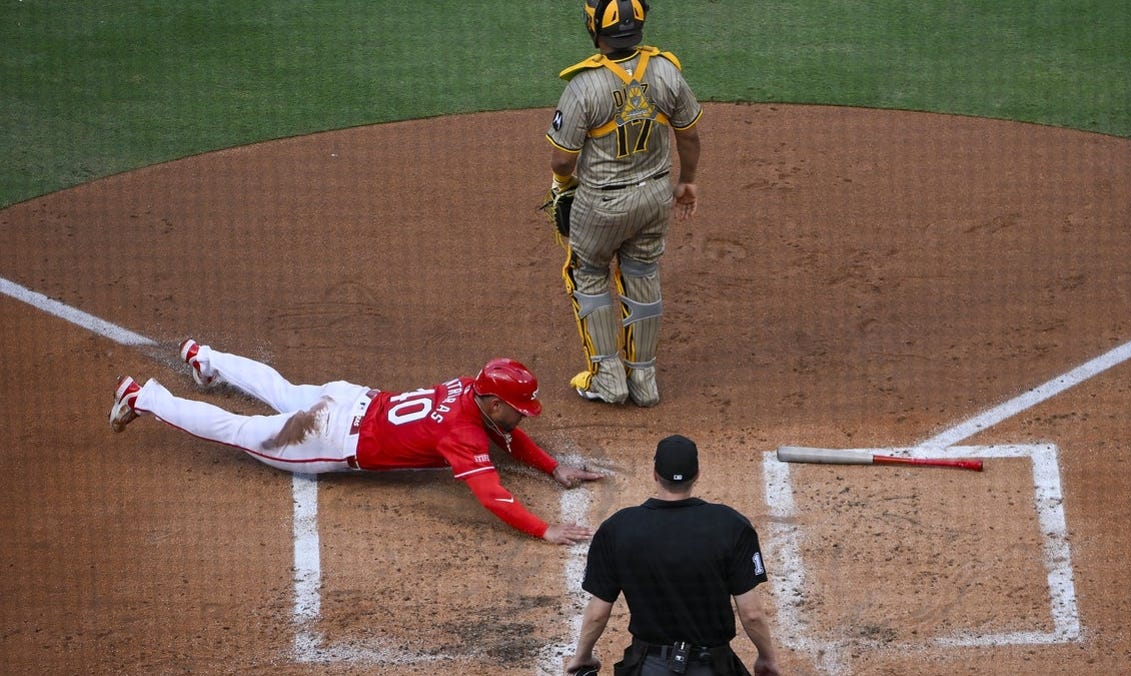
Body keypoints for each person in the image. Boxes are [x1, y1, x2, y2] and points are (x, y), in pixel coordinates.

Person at [107, 339, 603, 545]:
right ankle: (143, 397)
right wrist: (544, 530)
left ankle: (204, 356)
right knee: (239, 430)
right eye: (520, 408)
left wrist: (552, 467)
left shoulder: (467, 389)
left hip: (346, 399)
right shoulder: (463, 433)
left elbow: (506, 435)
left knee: (281, 388)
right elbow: (492, 495)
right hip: (323, 436)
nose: (523, 416)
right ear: (494, 403)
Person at [545, 0, 702, 407]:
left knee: (588, 273)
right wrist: (686, 181)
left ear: (594, 28)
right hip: (654, 196)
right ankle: (644, 382)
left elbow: (563, 157)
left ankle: (608, 379)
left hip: (601, 204)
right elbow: (689, 135)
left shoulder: (583, 85)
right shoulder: (667, 71)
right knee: (642, 271)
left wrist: (564, 184)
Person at [565, 435, 781, 676]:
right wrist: (766, 658)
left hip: (648, 667)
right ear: (697, 474)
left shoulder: (617, 528)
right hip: (712, 667)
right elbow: (751, 614)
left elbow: (597, 613)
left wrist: (582, 656)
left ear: (655, 474)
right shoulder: (731, 525)